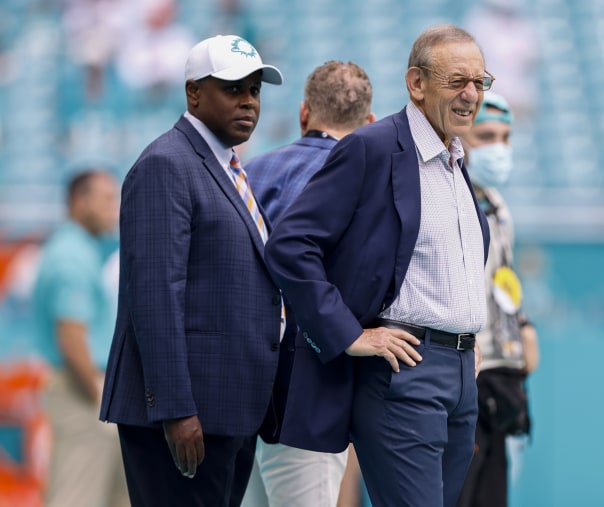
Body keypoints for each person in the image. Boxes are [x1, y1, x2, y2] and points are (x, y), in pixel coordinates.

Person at [265, 24, 492, 507]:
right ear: (416, 83)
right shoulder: (371, 147)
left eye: (480, 82)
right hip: (405, 370)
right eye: (457, 81)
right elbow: (291, 244)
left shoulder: (455, 159)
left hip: (460, 373)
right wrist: (349, 333)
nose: (471, 94)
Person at [99, 34, 285, 506]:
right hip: (187, 417)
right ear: (193, 93)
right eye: (233, 89)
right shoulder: (167, 164)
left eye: (255, 90)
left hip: (228, 410)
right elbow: (155, 295)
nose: (248, 101)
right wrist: (176, 410)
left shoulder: (225, 169)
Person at [242, 60, 375, 507]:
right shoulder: (368, 186)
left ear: (304, 113)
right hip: (310, 387)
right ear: (370, 124)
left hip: (240, 383)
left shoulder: (249, 174)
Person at [455, 92, 539, 507]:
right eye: (486, 135)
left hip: (500, 371)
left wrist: (523, 326)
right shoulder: (449, 195)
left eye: (505, 137)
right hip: (465, 368)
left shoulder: (497, 202)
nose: (498, 147)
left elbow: (502, 281)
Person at [30, 169, 130, 507]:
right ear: (79, 201)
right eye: (104, 200)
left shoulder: (82, 249)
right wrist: (97, 396)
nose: (111, 209)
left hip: (91, 389)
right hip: (82, 390)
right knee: (77, 495)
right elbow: (72, 341)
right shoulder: (70, 256)